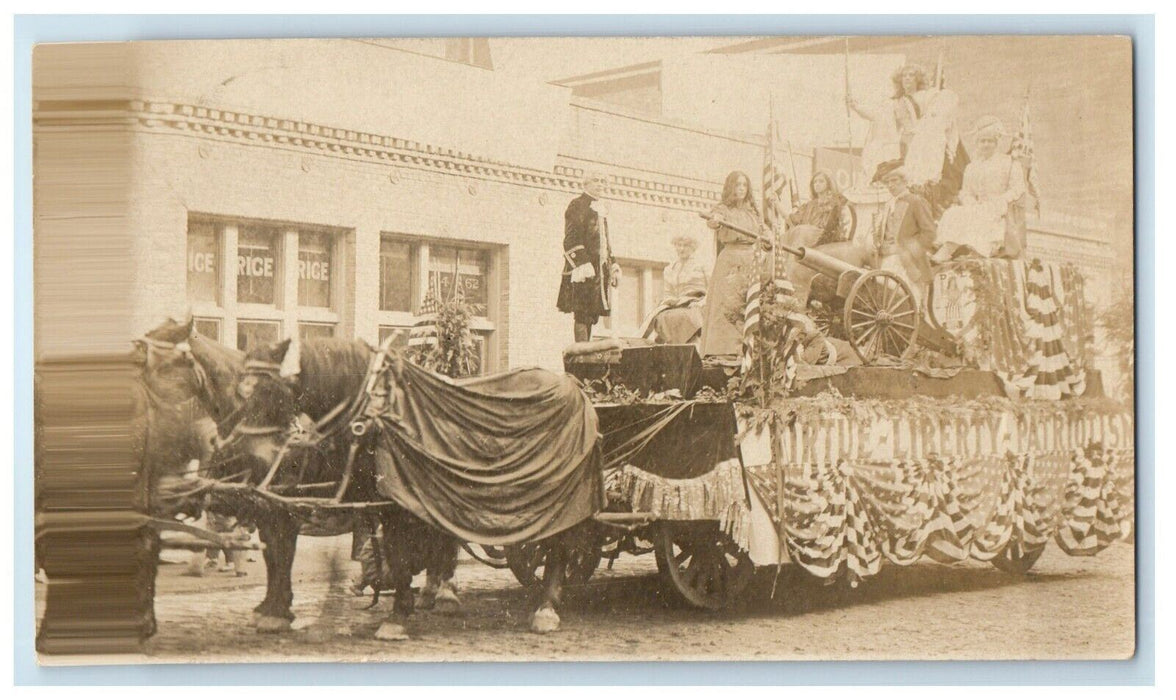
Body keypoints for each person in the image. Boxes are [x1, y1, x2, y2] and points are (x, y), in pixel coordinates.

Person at [848, 63, 959, 189]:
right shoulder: (895, 102)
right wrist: (856, 107)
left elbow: (938, 113)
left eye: (911, 75)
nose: (907, 78)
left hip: (924, 142)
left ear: (917, 79)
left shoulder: (926, 96)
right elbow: (878, 116)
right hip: (904, 144)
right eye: (904, 75)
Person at [935, 116, 1028, 259]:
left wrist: (1001, 200)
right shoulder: (972, 167)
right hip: (978, 205)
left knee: (983, 215)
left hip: (1000, 207)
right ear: (977, 143)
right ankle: (948, 248)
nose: (986, 145)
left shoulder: (1008, 163)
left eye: (990, 141)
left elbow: (1017, 188)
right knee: (955, 213)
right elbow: (966, 191)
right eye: (982, 141)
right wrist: (970, 201)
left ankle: (979, 251)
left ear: (996, 143)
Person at [700, 170, 770, 358]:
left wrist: (769, 238)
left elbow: (765, 232)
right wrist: (716, 222)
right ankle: (725, 349)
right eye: (737, 185)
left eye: (744, 185)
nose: (741, 189)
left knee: (750, 303)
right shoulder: (723, 209)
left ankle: (748, 348)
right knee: (728, 304)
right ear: (731, 187)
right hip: (731, 259)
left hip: (752, 260)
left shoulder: (753, 212)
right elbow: (713, 222)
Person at [557, 170, 621, 343]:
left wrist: (613, 265)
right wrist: (583, 264)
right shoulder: (577, 205)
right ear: (585, 184)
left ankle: (586, 356)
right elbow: (570, 239)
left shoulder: (600, 209)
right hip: (583, 270)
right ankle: (580, 356)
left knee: (592, 315)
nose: (600, 184)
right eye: (596, 180)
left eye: (603, 181)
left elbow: (605, 242)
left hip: (599, 272)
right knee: (582, 313)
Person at [872, 160, 937, 305]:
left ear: (905, 181)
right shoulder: (888, 205)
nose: (891, 185)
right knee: (887, 302)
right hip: (888, 261)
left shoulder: (916, 202)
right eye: (887, 182)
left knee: (909, 302)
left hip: (910, 262)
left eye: (894, 180)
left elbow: (929, 233)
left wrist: (906, 249)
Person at [640, 234, 709, 345]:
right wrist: (670, 300)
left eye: (686, 246)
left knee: (686, 317)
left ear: (693, 247)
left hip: (698, 304)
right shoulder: (670, 268)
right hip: (677, 305)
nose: (681, 249)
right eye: (679, 245)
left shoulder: (702, 265)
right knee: (661, 317)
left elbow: (711, 289)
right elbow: (667, 292)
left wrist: (701, 303)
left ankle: (692, 347)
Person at [786, 170, 849, 247]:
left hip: (824, 237)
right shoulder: (809, 205)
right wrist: (777, 204)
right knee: (790, 234)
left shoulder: (836, 202)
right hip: (806, 235)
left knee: (800, 230)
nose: (817, 184)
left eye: (821, 181)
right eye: (815, 182)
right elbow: (792, 219)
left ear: (828, 184)